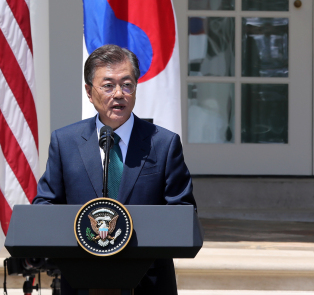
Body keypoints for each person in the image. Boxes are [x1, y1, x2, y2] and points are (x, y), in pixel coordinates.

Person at [33, 44, 196, 295]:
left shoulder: (163, 143)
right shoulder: (65, 142)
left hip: (147, 282)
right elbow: (45, 206)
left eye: (127, 84)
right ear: (89, 91)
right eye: (108, 85)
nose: (119, 94)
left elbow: (183, 211)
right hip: (82, 280)